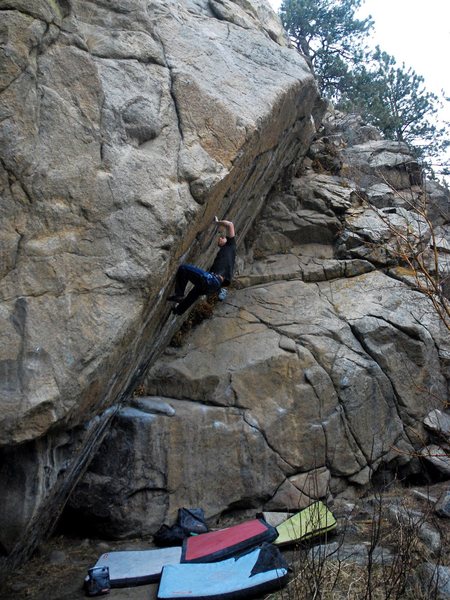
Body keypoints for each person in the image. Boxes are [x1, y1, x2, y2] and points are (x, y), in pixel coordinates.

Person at [168, 217, 236, 315]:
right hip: (214, 285)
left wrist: (217, 223)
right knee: (195, 293)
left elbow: (230, 225)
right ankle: (179, 310)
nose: (221, 238)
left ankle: (179, 295)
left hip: (214, 280)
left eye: (223, 237)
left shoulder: (231, 246)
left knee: (183, 269)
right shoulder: (225, 255)